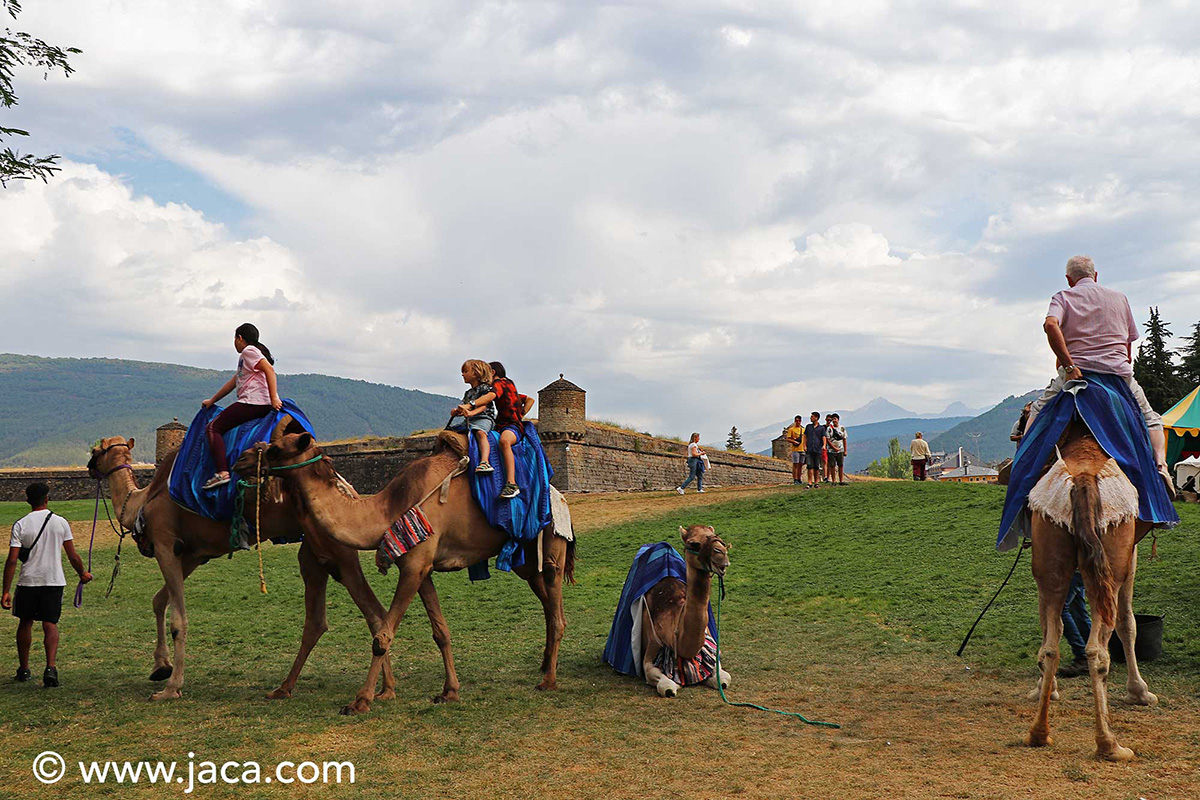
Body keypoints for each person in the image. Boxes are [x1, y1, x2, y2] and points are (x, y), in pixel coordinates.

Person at [1028, 255, 1174, 497]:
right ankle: (1160, 467)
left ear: (1069, 279)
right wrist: (1121, 367)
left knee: (1037, 411)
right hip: (1118, 376)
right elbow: (1128, 345)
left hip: (1076, 375)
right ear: (1096, 276)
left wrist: (1068, 365)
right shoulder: (1120, 298)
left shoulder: (1063, 297)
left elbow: (1051, 325)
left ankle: (1028, 468)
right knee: (1151, 419)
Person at [2, 483, 92, 687]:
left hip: (28, 581)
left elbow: (12, 560)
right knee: (50, 623)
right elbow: (72, 555)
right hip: (53, 580)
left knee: (25, 622)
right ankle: (51, 667)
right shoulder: (60, 522)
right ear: (47, 499)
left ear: (27, 501)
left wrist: (6, 591)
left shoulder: (20, 524)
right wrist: (82, 573)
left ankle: (24, 669)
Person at [200, 323, 282, 490]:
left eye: (235, 339)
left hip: (252, 402)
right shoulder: (249, 356)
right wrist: (213, 400)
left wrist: (274, 397)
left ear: (240, 338)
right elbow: (234, 382)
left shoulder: (248, 351)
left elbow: (270, 370)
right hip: (258, 403)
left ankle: (222, 472)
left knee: (212, 427)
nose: (234, 343)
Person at [489, 361, 535, 500]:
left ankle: (511, 483)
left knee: (504, 441)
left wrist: (473, 403)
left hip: (511, 426)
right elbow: (530, 400)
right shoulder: (509, 386)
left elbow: (492, 395)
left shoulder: (499, 384)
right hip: (505, 424)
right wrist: (520, 414)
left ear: (492, 372)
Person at [448, 359, 497, 473]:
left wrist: (471, 412)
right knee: (451, 432)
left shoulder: (485, 388)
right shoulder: (468, 393)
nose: (462, 374)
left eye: (465, 371)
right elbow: (465, 407)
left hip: (484, 418)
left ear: (476, 372)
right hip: (470, 420)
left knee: (480, 433)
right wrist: (458, 411)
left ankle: (485, 461)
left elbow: (484, 406)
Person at [1056, 572, 1091, 678]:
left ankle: (1082, 656)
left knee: (1059, 610)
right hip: (1082, 570)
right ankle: (1094, 652)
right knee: (1078, 610)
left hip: (1072, 570)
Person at [802, 412, 826, 489]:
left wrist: (824, 445)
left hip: (817, 449)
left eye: (812, 417)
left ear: (816, 418)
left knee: (816, 466)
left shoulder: (821, 428)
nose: (810, 418)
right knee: (809, 466)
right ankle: (809, 482)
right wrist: (804, 445)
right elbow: (805, 436)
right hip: (809, 449)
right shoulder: (808, 427)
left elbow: (823, 437)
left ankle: (816, 482)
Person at [826, 413, 848, 485]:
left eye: (835, 419)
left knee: (840, 465)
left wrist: (845, 450)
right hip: (831, 450)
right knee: (832, 465)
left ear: (838, 419)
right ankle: (834, 481)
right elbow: (828, 440)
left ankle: (841, 481)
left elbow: (844, 439)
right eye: (833, 419)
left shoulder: (842, 428)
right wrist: (834, 448)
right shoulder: (829, 429)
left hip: (840, 449)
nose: (834, 420)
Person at [784, 415, 806, 484]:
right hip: (795, 450)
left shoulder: (803, 430)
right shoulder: (791, 430)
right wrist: (794, 442)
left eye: (799, 421)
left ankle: (799, 479)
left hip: (802, 449)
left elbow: (805, 439)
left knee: (800, 465)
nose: (798, 422)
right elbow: (788, 439)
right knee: (795, 464)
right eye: (796, 421)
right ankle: (795, 479)